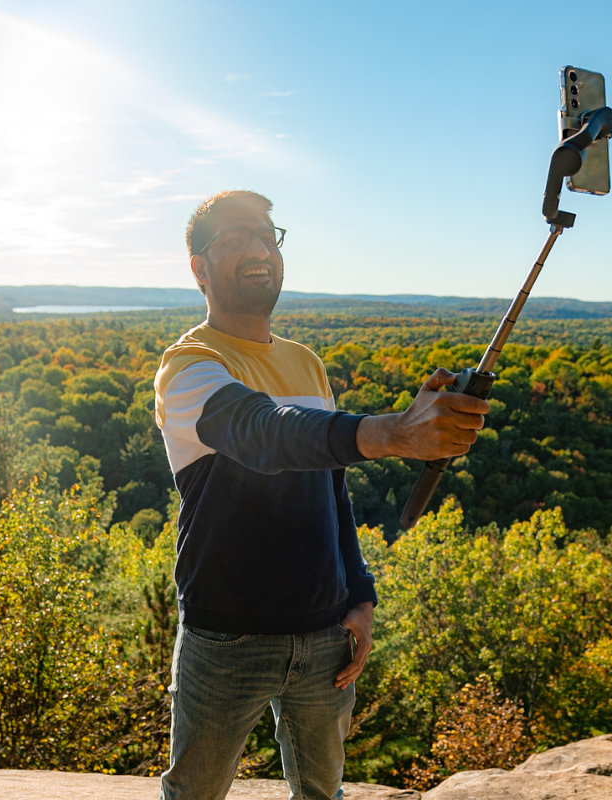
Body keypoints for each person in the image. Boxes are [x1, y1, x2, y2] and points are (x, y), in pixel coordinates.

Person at [154, 190, 489, 800]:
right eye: (234, 241)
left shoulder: (305, 362)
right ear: (199, 268)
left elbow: (328, 490)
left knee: (323, 795)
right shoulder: (189, 367)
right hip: (226, 636)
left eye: (267, 235)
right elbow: (264, 433)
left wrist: (358, 596)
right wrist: (391, 432)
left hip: (323, 634)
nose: (258, 250)